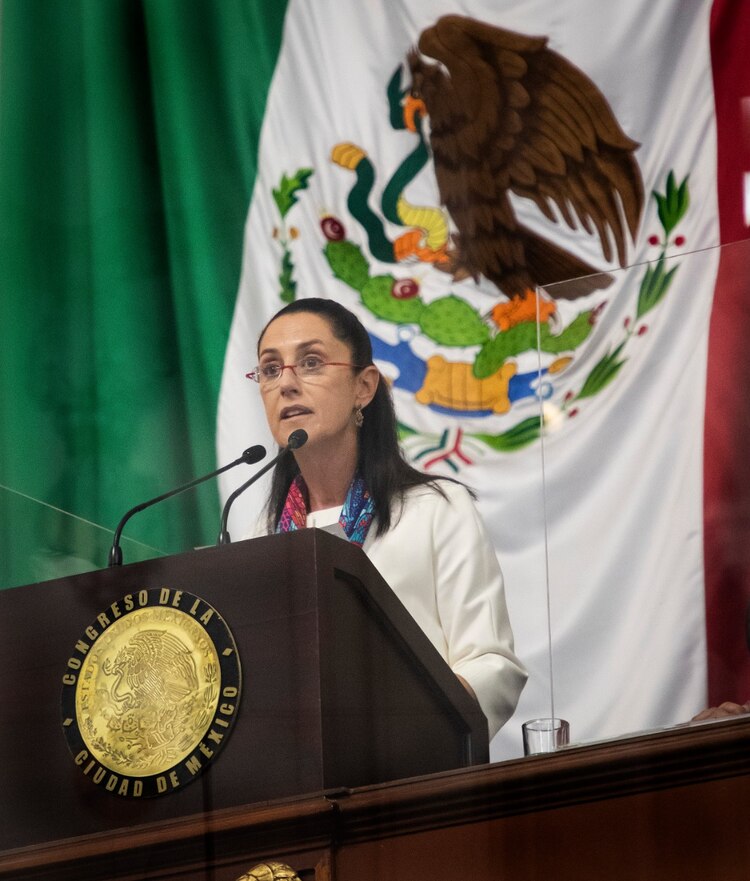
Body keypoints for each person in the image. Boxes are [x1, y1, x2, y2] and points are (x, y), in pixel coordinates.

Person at [246, 297, 526, 738]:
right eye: (270, 368)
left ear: (364, 386)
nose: (286, 383)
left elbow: (493, 667)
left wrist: (409, 723)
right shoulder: (260, 539)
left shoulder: (436, 509)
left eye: (311, 362)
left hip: (414, 779)